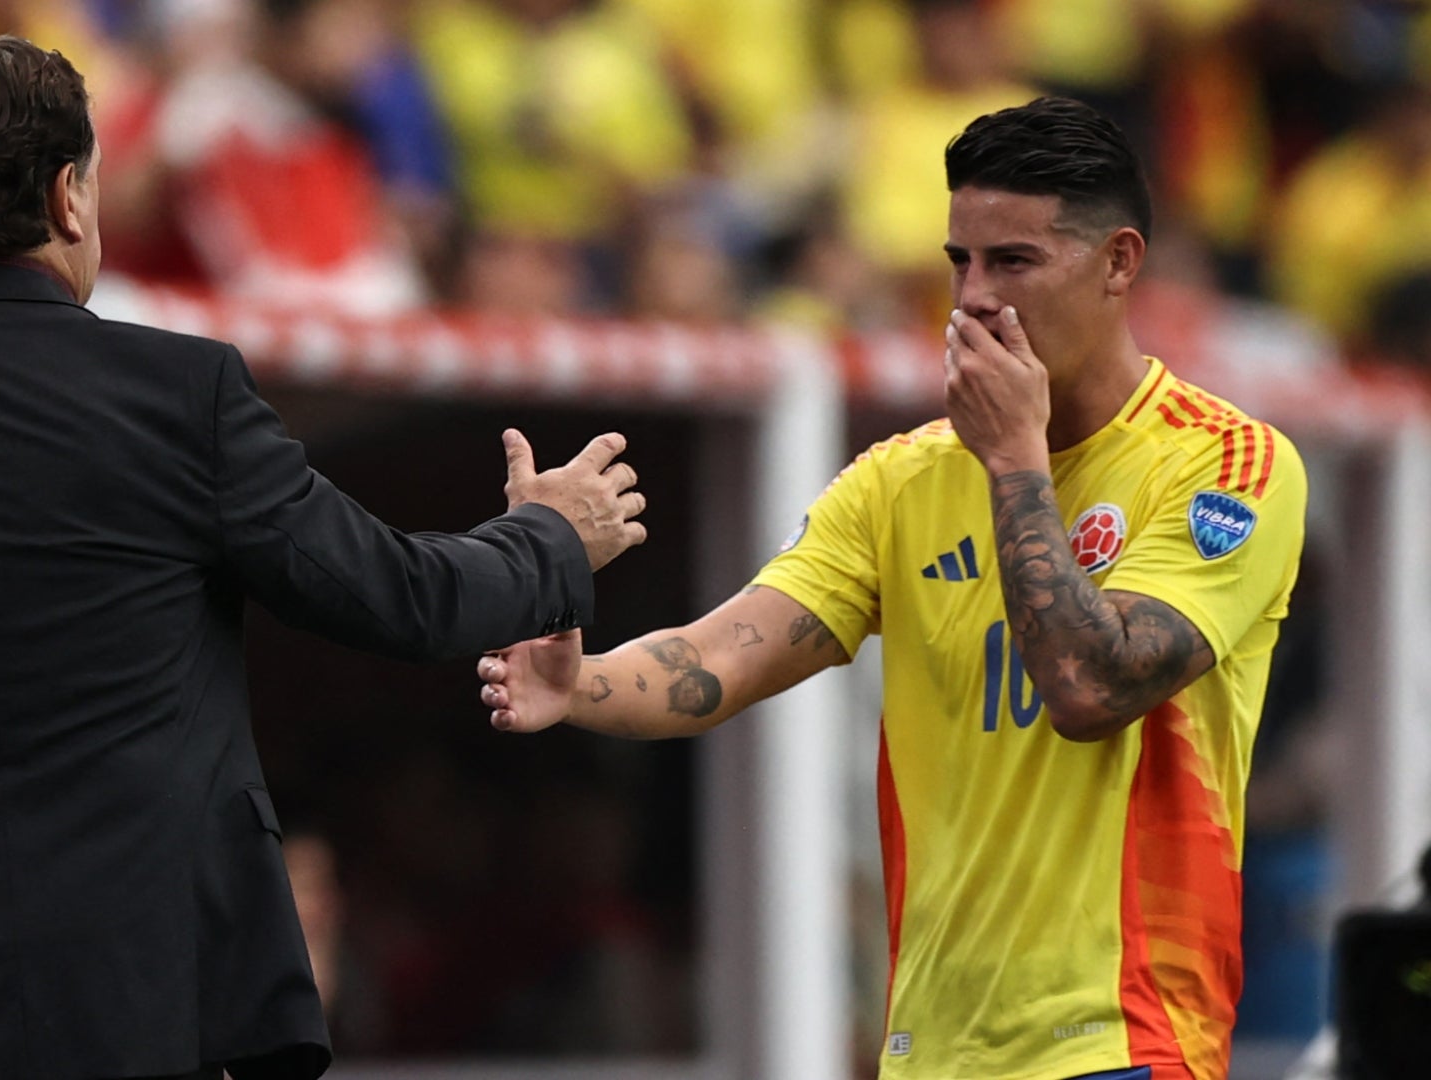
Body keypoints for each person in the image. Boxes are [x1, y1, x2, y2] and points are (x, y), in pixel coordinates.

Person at [0, 36, 645, 1080]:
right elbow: (403, 600)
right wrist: (555, 535)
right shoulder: (181, 400)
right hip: (132, 1013)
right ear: (67, 195)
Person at [479, 96, 1306, 1080]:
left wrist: (1013, 463)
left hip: (1126, 1040)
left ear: (1120, 262)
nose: (973, 300)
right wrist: (579, 684)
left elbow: (1092, 687)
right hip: (932, 1053)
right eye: (961, 261)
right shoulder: (902, 478)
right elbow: (723, 655)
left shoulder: (1228, 464)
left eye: (1014, 262)